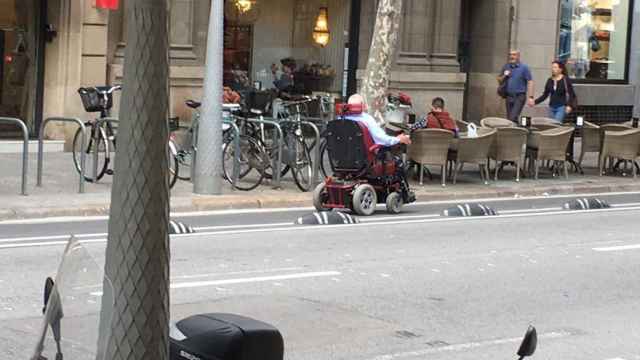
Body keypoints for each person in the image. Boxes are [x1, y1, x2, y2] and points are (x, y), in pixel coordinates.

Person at [344, 94, 411, 146]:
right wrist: (398, 139)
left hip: (341, 158)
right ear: (363, 106)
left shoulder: (340, 119)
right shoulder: (366, 119)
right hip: (363, 157)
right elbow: (382, 139)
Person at [498, 50, 535, 123]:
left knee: (512, 117)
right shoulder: (506, 66)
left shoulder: (524, 68)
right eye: (510, 55)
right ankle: (519, 132)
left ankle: (517, 130)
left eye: (514, 55)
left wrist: (531, 97)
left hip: (519, 96)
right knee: (510, 118)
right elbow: (499, 80)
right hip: (508, 96)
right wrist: (505, 75)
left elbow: (530, 82)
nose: (511, 57)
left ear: (518, 56)